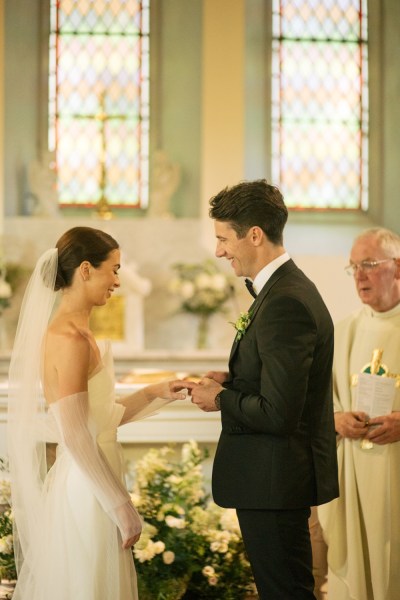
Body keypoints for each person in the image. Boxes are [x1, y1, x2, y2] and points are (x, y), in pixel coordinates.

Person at [7, 226, 189, 600]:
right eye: (115, 269)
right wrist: (121, 505)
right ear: (86, 270)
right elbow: (74, 434)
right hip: (88, 487)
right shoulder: (69, 339)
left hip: (97, 476)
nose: (118, 281)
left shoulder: (81, 333)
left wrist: (157, 391)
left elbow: (103, 418)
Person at [190, 179, 339, 600]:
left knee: (286, 593)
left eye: (223, 238)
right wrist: (232, 381)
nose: (219, 251)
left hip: (275, 480)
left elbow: (279, 412)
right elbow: (281, 382)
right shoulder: (280, 290)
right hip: (272, 478)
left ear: (254, 234)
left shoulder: (285, 301)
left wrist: (219, 399)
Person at [318, 227, 400, 600]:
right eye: (353, 268)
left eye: (369, 264)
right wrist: (336, 418)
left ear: (397, 267)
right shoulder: (344, 330)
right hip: (353, 470)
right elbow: (322, 399)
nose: (360, 276)